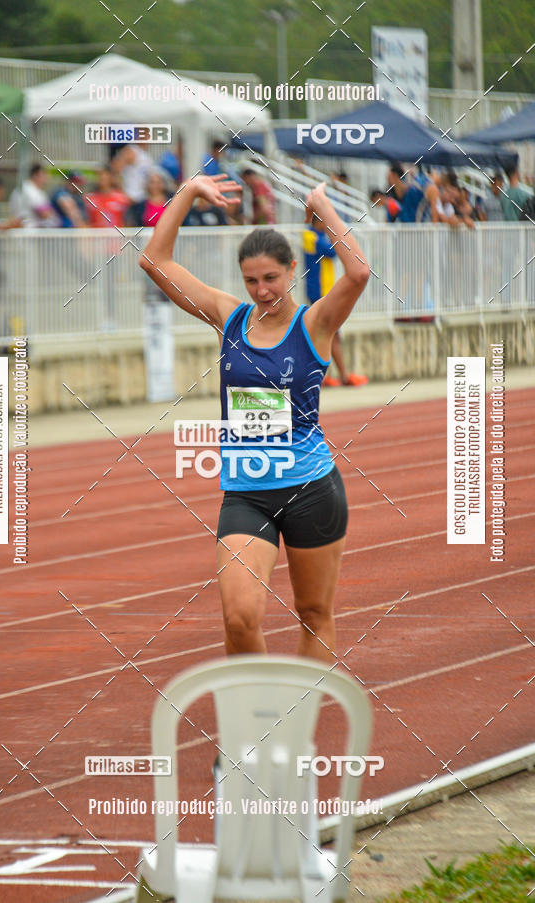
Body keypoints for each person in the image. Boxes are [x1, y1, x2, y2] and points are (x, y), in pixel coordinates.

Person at [140, 175, 370, 661]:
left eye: (271, 278)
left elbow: (358, 274)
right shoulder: (229, 317)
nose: (262, 290)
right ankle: (253, 720)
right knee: (240, 617)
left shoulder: (315, 323)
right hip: (247, 492)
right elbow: (154, 261)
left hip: (311, 488)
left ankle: (300, 720)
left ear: (291, 271)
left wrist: (321, 206)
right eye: (251, 280)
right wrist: (190, 190)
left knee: (313, 613)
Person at [303, 213, 368, 387]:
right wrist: (336, 233)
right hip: (318, 291)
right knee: (331, 332)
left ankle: (326, 377)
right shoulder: (309, 235)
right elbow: (332, 252)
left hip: (324, 290)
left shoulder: (318, 235)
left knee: (326, 333)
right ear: (318, 221)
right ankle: (342, 375)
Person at [115, 144, 155, 227]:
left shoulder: (147, 157)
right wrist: (122, 191)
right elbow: (116, 170)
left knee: (141, 225)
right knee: (128, 226)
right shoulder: (131, 149)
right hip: (128, 197)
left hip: (142, 197)